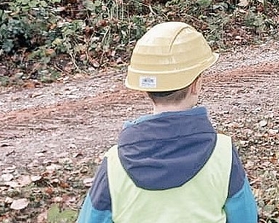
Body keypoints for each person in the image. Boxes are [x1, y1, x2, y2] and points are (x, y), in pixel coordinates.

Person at [76, 21, 258, 223]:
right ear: (196, 85)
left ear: (145, 90)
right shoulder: (223, 153)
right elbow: (246, 217)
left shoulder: (114, 162)